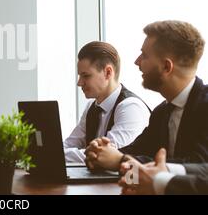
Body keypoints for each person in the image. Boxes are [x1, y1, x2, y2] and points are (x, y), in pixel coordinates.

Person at [85, 20, 208, 171]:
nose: (137, 62)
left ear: (166, 66)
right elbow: (137, 151)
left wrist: (120, 160)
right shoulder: (162, 112)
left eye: (144, 55)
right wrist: (100, 154)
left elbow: (199, 165)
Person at [64, 41, 150, 162]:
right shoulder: (91, 106)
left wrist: (53, 155)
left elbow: (104, 154)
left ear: (108, 72)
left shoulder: (131, 107)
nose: (79, 83)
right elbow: (69, 144)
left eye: (86, 76)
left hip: (127, 180)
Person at [119, 148, 208, 195]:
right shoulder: (162, 113)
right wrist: (165, 169)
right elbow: (141, 146)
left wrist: (159, 180)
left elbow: (199, 159)